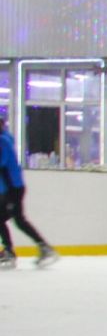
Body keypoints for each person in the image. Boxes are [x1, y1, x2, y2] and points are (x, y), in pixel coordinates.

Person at [0, 115, 57, 268]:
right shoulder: (5, 138)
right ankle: (10, 251)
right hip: (9, 188)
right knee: (11, 219)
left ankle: (43, 248)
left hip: (12, 188)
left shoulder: (3, 141)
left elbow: (2, 163)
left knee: (19, 220)